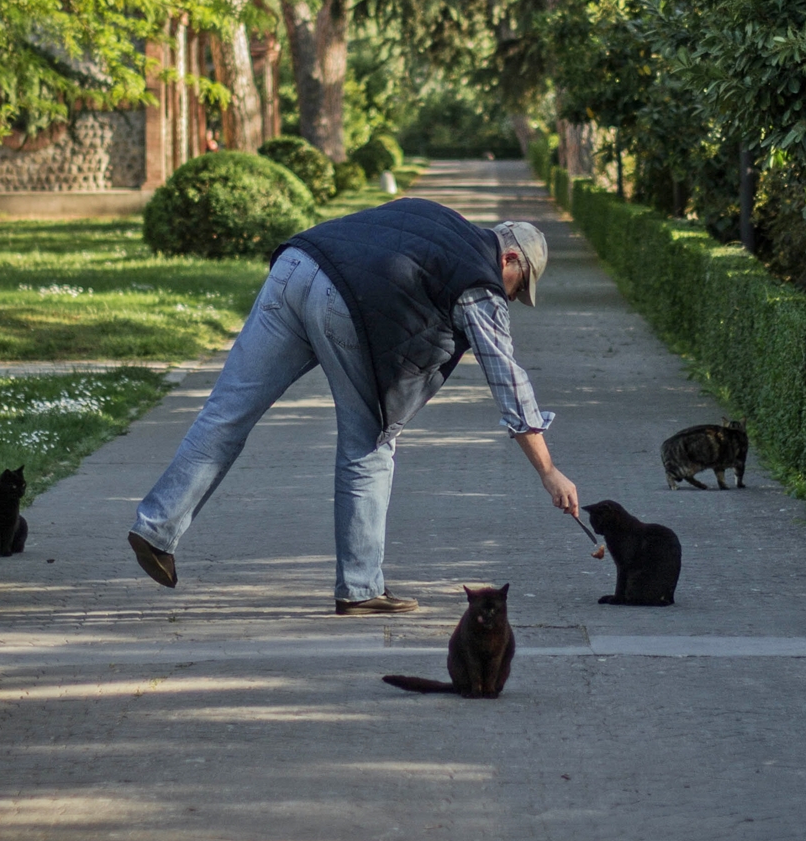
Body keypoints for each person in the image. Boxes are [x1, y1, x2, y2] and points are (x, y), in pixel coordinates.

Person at [127, 197, 581, 614]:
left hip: (296, 266)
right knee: (371, 443)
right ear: (508, 259)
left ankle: (155, 527)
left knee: (226, 413)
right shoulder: (480, 281)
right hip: (341, 302)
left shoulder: (436, 217)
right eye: (517, 287)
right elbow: (508, 379)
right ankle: (361, 588)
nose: (511, 299)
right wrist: (548, 470)